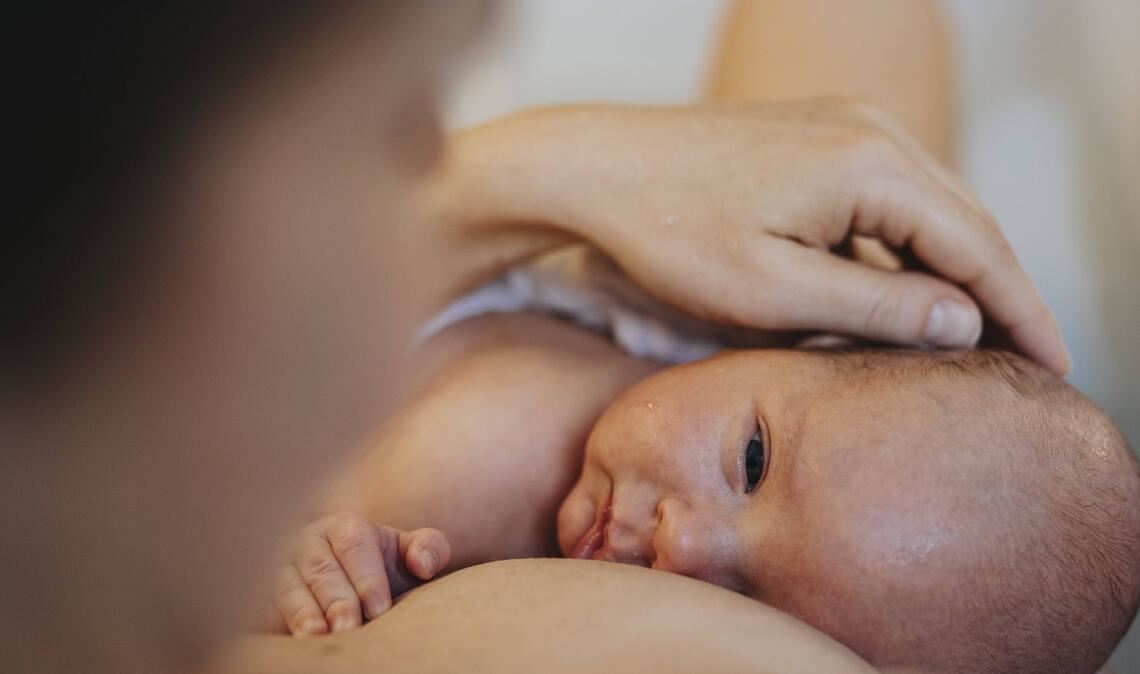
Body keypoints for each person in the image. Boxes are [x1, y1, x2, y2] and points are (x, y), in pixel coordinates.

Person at [1, 1, 1074, 673]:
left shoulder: (457, 511)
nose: (687, 550)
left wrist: (295, 564)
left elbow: (189, 558)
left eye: (769, 603)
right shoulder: (760, 327)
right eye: (749, 462)